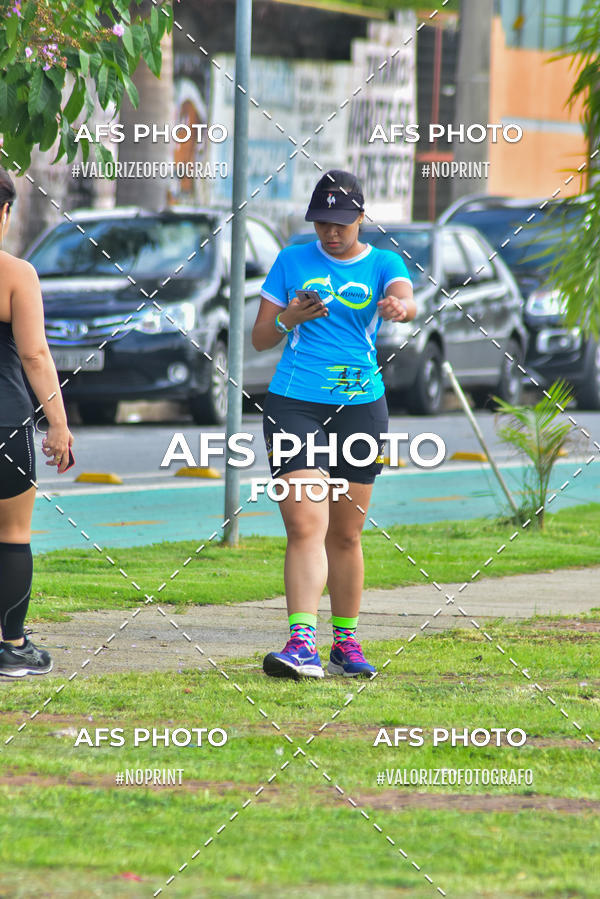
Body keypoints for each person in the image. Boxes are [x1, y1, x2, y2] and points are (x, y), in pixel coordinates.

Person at [252, 170, 416, 679]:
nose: (331, 232)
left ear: (362, 219)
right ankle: (301, 644)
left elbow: (405, 296)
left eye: (341, 223)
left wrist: (401, 307)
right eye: (322, 222)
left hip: (360, 406)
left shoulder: (385, 261)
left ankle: (345, 643)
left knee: (345, 535)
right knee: (305, 524)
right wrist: (289, 318)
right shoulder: (291, 259)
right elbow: (259, 339)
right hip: (293, 403)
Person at [0, 167, 73, 677]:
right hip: (5, 424)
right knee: (13, 534)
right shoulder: (16, 275)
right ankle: (12, 645)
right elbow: (36, 356)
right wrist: (59, 425)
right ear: (5, 212)